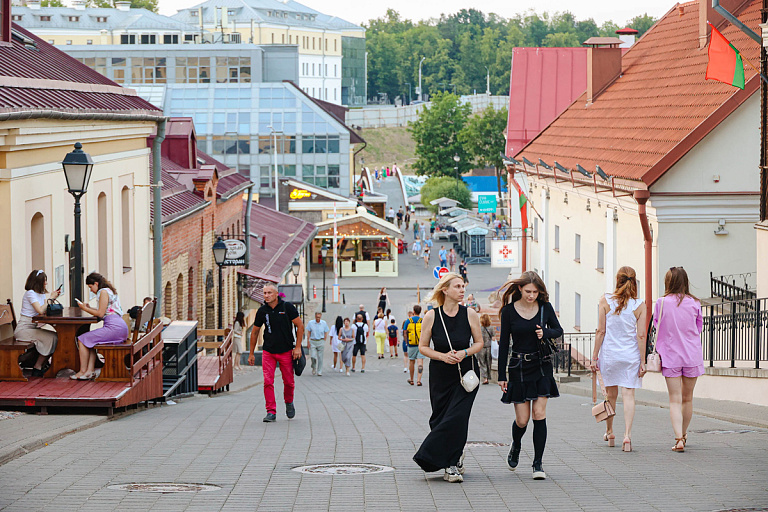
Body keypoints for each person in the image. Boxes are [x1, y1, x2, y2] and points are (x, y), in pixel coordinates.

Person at [413, 273, 483, 482]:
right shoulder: (432, 316)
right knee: (440, 418)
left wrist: (465, 353)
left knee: (457, 418)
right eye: (458, 286)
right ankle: (455, 453)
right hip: (441, 375)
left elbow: (479, 343)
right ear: (445, 290)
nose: (462, 290)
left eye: (463, 286)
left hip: (466, 375)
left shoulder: (469, 314)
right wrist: (443, 356)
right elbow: (423, 347)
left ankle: (449, 465)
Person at [497, 271, 563, 480]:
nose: (531, 295)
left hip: (541, 365)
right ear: (519, 289)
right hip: (518, 366)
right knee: (522, 420)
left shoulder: (545, 308)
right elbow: (504, 344)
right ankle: (516, 444)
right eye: (528, 291)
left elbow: (558, 330)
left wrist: (546, 332)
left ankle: (538, 464)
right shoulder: (508, 312)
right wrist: (502, 374)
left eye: (535, 292)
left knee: (539, 414)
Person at [590, 266, 646, 452]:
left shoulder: (605, 300)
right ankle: (627, 436)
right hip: (630, 356)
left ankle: (610, 431)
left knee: (610, 395)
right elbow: (641, 336)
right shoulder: (639, 305)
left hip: (610, 356)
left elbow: (601, 331)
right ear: (634, 282)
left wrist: (594, 357)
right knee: (629, 395)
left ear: (617, 280)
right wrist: (643, 362)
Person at [654, 266, 704, 452]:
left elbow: (657, 327)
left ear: (668, 282)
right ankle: (684, 434)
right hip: (692, 355)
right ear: (685, 282)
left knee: (674, 399)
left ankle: (678, 439)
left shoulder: (661, 302)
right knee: (687, 398)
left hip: (670, 355)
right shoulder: (695, 303)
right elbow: (698, 329)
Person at [250, 284, 305, 422]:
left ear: (276, 294)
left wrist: (297, 347)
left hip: (286, 350)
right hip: (268, 351)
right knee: (268, 381)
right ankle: (271, 411)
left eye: (269, 293)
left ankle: (289, 402)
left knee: (289, 382)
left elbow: (300, 326)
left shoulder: (287, 307)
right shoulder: (262, 311)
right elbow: (255, 331)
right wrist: (251, 353)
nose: (266, 295)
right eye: (264, 293)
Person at [73, 272, 129, 380]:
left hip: (114, 328)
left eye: (90, 287)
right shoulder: (109, 290)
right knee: (91, 340)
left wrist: (84, 308)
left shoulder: (102, 292)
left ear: (96, 283)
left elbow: (100, 314)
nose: (91, 290)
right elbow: (105, 311)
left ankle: (82, 371)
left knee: (82, 339)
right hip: (119, 327)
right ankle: (89, 371)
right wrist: (90, 308)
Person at [14, 270, 60, 377]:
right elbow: (39, 310)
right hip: (23, 330)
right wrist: (51, 298)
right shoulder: (30, 294)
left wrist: (52, 300)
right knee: (51, 338)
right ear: (38, 282)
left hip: (32, 328)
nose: (46, 283)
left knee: (56, 337)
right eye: (44, 281)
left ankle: (41, 364)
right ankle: (38, 366)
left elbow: (44, 311)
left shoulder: (41, 294)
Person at [403, 305, 425, 386]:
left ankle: (411, 379)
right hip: (421, 344)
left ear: (413, 311)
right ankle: (419, 380)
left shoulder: (408, 321)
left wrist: (406, 342)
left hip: (411, 344)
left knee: (411, 361)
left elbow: (405, 333)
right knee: (420, 361)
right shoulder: (422, 320)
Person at [307, 312, 329, 376]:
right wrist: (308, 341)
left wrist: (324, 340)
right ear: (315, 316)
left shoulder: (323, 323)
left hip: (320, 340)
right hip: (313, 341)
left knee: (320, 357)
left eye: (319, 317)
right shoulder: (311, 323)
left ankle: (319, 371)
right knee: (313, 356)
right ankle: (313, 366)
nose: (318, 318)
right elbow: (309, 332)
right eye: (317, 317)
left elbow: (326, 332)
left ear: (321, 317)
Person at [479, 314, 495, 385]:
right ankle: (488, 377)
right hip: (489, 347)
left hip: (481, 348)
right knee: (489, 363)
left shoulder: (480, 328)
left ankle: (485, 378)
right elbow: (494, 338)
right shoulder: (491, 328)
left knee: (482, 363)